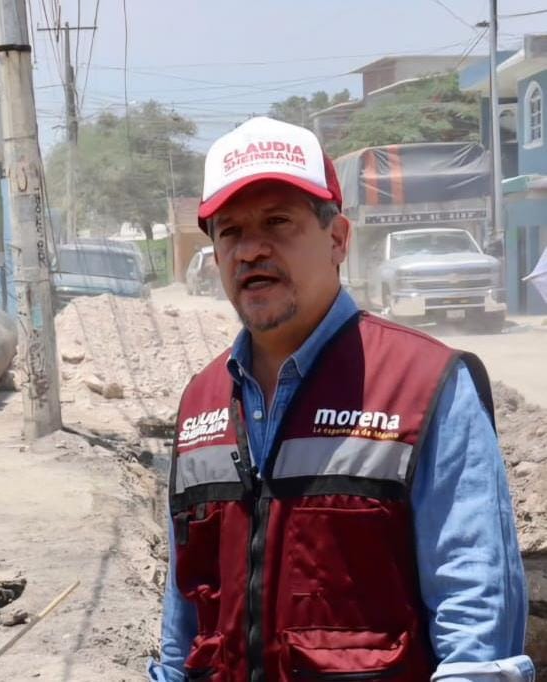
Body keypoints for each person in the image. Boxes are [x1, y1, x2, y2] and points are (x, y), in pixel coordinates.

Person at [147, 117, 533, 681]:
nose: (251, 249)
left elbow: (474, 606)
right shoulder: (202, 403)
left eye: (278, 222)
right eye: (230, 231)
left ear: (338, 240)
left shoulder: (424, 386)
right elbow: (184, 618)